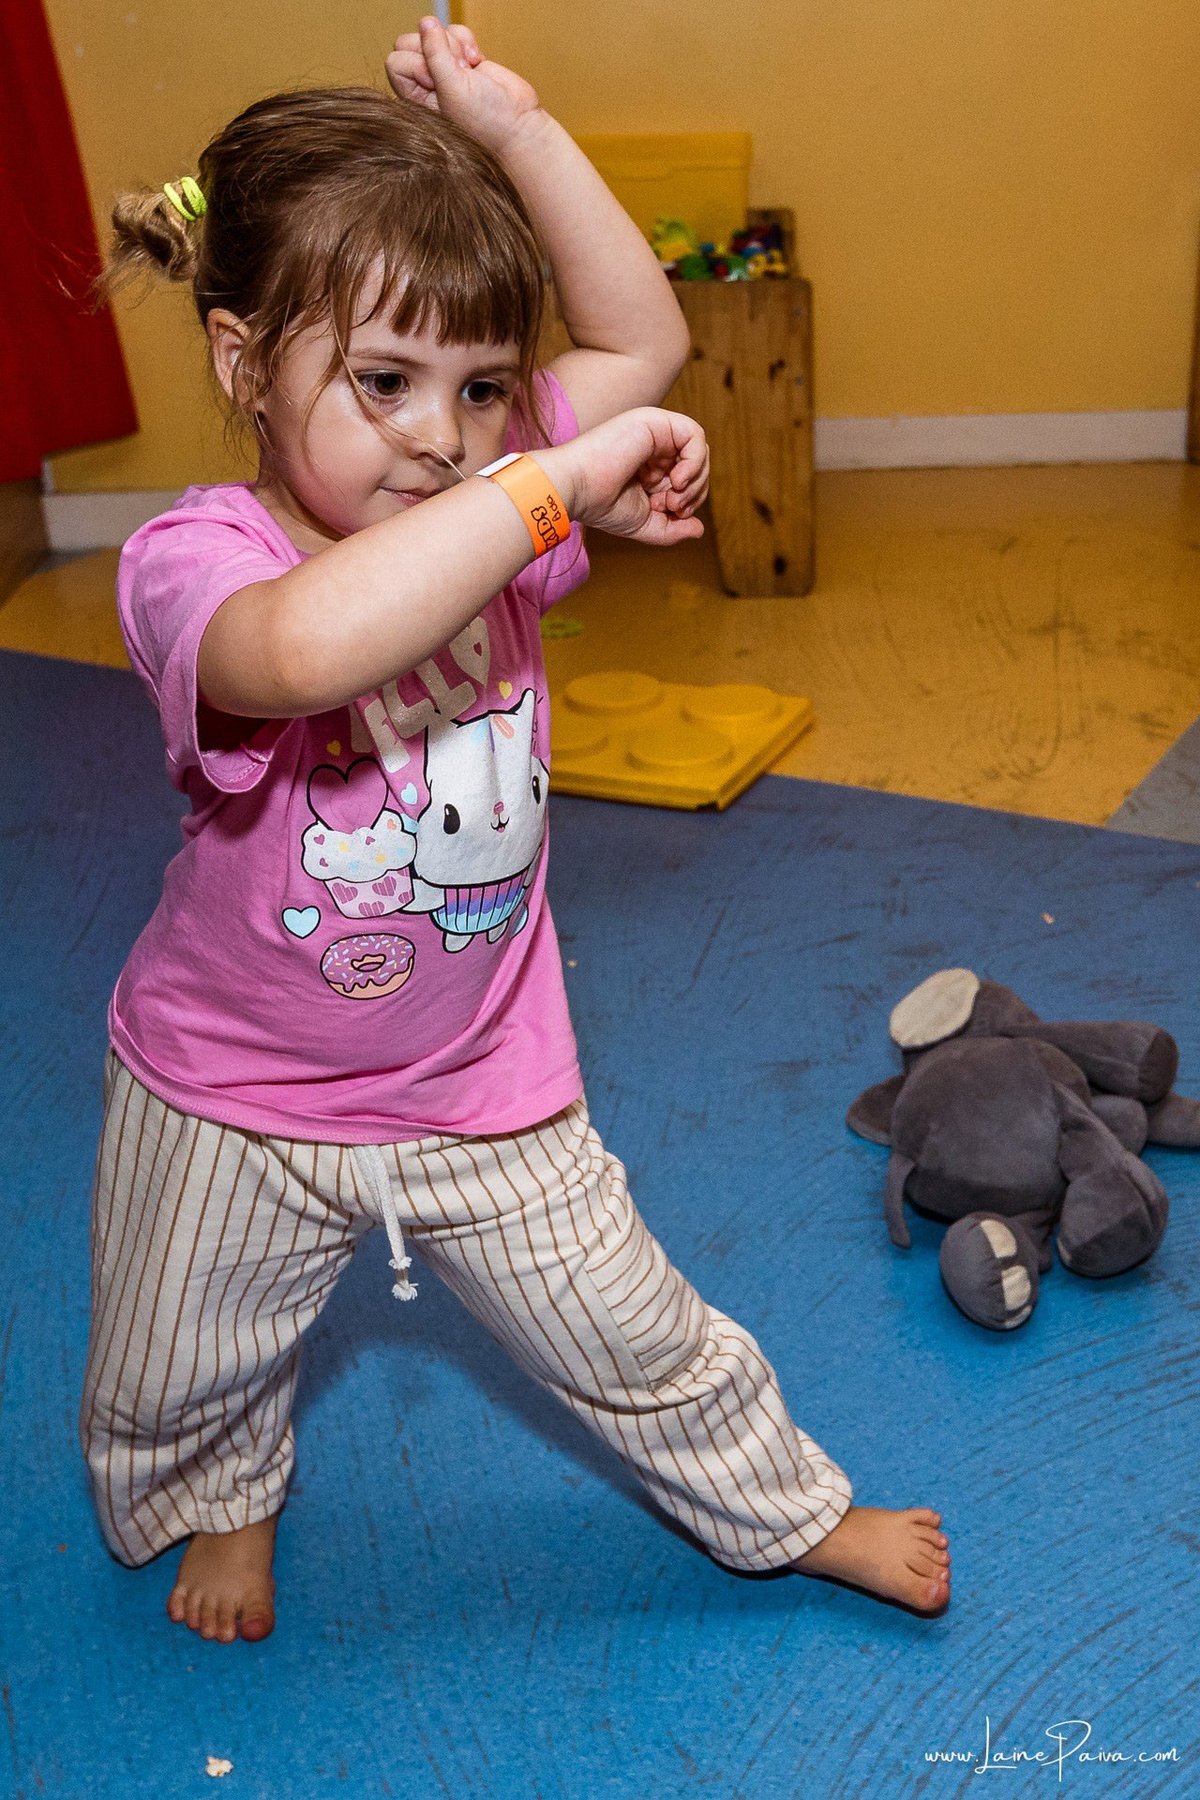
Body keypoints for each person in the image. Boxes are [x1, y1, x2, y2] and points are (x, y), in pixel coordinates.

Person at [80, 17, 951, 1645]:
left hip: (483, 1080)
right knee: (169, 1362)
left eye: (485, 389)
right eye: (384, 382)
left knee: (636, 1336)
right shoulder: (196, 562)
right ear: (238, 360)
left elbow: (642, 343)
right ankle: (229, 1493)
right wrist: (548, 488)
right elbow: (306, 652)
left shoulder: (466, 501)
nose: (440, 433)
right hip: (229, 1086)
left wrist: (522, 129)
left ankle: (790, 1511)